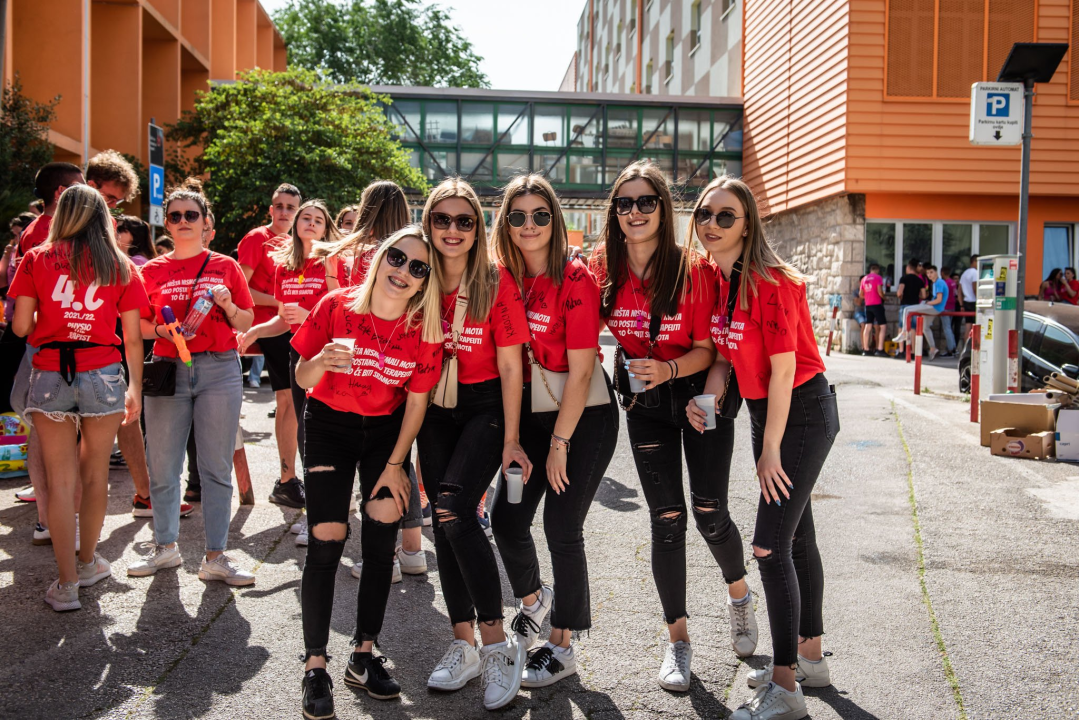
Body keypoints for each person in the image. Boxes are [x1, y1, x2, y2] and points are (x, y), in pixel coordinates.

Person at [593, 164, 754, 692]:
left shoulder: (697, 269)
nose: (634, 213)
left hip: (696, 393)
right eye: (624, 204)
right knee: (666, 518)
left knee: (710, 512)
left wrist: (669, 370)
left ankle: (739, 595)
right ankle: (678, 642)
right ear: (614, 212)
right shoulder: (602, 268)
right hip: (643, 404)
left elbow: (711, 349)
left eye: (646, 203)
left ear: (664, 207)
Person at [686, 176, 836, 720]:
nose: (712, 224)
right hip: (762, 411)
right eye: (705, 213)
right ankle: (810, 658)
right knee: (796, 541)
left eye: (726, 216)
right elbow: (724, 354)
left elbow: (784, 368)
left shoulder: (774, 282)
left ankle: (786, 688)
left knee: (770, 547)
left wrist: (770, 448)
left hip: (799, 412)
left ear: (748, 224)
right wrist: (709, 394)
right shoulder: (712, 275)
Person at [291, 226, 443, 718]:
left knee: (381, 538)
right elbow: (302, 377)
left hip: (386, 435)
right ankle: (316, 664)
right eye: (397, 259)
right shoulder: (336, 305)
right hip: (330, 425)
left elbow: (417, 404)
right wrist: (318, 361)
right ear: (380, 258)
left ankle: (363, 654)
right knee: (328, 538)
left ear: (425, 281)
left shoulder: (425, 329)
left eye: (418, 268)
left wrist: (398, 465)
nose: (403, 272)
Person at [490, 174, 619, 690]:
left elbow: (583, 370)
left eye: (540, 214)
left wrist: (560, 445)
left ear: (555, 219)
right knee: (506, 518)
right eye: (517, 215)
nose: (529, 225)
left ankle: (562, 646)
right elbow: (510, 367)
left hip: (583, 418)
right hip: (533, 415)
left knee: (563, 528)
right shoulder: (500, 277)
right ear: (505, 222)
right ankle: (534, 600)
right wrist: (514, 439)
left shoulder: (577, 278)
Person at [415, 178, 532, 708]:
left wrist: (511, 438)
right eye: (443, 219)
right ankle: (462, 646)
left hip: (484, 406)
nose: (454, 229)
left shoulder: (494, 278)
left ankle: (497, 645)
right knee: (442, 524)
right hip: (433, 408)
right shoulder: (418, 273)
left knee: (456, 510)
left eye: (465, 221)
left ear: (477, 227)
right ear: (429, 223)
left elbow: (511, 364)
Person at [9, 184, 147, 611]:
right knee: (95, 476)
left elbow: (19, 327)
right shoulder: (121, 265)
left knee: (59, 479)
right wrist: (135, 388)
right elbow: (133, 337)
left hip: (50, 371)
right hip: (104, 373)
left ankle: (66, 584)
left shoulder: (36, 258)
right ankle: (88, 563)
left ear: (61, 215)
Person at [127, 178, 256, 585]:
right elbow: (141, 326)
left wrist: (228, 304)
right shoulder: (151, 271)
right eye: (175, 216)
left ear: (206, 224)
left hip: (219, 367)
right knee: (163, 465)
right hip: (168, 369)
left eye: (191, 215)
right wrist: (161, 332)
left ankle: (216, 555)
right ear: (166, 224)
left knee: (215, 466)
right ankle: (165, 547)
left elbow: (246, 322)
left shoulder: (226, 265)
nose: (183, 221)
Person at [7, 162, 86, 543]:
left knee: (54, 428)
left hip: (63, 344)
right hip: (53, 345)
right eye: (82, 186)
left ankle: (54, 520)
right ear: (62, 194)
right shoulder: (42, 234)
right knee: (50, 429)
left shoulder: (51, 234)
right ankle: (51, 520)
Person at [239, 200, 340, 481]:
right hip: (300, 353)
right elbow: (285, 319)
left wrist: (310, 314)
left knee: (330, 424)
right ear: (295, 225)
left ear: (325, 229)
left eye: (318, 220)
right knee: (304, 423)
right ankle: (313, 492)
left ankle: (338, 492)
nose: (311, 223)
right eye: (305, 217)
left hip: (329, 352)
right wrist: (257, 331)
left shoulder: (334, 261)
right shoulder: (285, 266)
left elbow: (343, 313)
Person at [235, 183, 304, 508]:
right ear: (270, 209)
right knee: (288, 400)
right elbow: (241, 288)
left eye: (291, 207)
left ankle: (292, 478)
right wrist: (281, 301)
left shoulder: (298, 242)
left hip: (295, 325)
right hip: (271, 327)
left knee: (300, 402)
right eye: (279, 205)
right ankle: (286, 479)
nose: (284, 212)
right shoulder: (256, 238)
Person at [318, 182, 410, 290]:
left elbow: (351, 305)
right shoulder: (414, 255)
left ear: (368, 212)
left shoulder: (368, 258)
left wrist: (331, 275)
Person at [897, 265, 948, 360]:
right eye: (928, 273)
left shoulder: (939, 283)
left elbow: (939, 300)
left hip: (935, 307)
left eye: (931, 272)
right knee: (925, 328)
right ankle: (933, 348)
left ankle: (904, 332)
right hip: (934, 307)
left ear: (936, 272)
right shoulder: (936, 283)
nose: (929, 275)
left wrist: (928, 302)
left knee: (907, 309)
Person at [892, 260, 924, 356]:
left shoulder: (904, 278)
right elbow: (924, 295)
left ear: (909, 268)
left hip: (905, 305)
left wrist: (901, 296)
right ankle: (913, 351)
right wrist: (917, 296)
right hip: (915, 306)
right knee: (913, 328)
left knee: (902, 327)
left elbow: (899, 292)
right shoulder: (920, 280)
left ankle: (902, 351)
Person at [859, 264, 887, 356]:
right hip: (877, 304)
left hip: (868, 305)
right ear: (877, 270)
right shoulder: (878, 278)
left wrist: (867, 297)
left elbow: (861, 294)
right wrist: (884, 297)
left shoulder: (864, 279)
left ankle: (866, 349)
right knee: (882, 326)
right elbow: (879, 291)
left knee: (868, 326)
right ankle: (880, 349)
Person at [941, 266, 959, 357]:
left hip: (945, 307)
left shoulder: (945, 283)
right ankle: (953, 348)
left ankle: (951, 349)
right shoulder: (953, 282)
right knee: (949, 328)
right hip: (952, 306)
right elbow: (955, 294)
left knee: (947, 328)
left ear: (942, 273)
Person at [960, 255, 978, 340]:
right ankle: (974, 348)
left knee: (968, 325)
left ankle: (965, 347)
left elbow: (959, 290)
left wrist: (961, 304)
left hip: (966, 301)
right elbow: (975, 288)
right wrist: (980, 299)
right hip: (974, 301)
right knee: (976, 326)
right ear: (974, 261)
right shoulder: (975, 273)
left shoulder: (964, 273)